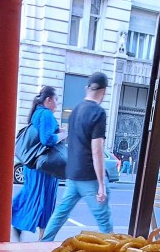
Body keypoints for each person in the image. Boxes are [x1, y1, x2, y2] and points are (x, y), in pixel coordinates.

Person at [41, 72, 113, 240]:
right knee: (104, 221)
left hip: (73, 174)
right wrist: (101, 184)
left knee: (60, 214)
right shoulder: (98, 113)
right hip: (89, 176)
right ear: (104, 91)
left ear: (87, 88)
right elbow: (97, 150)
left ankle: (43, 244)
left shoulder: (75, 111)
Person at [12, 86, 67, 240]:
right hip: (45, 167)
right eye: (56, 100)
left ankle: (18, 221)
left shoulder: (37, 113)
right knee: (46, 200)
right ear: (48, 100)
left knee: (31, 194)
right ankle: (43, 239)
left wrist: (57, 131)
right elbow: (47, 139)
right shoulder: (47, 114)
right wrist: (63, 135)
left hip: (33, 165)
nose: (56, 104)